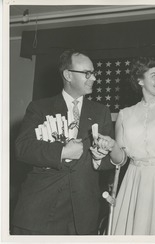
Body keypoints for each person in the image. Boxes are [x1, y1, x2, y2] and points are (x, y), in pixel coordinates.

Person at [12, 49, 114, 235]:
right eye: (87, 73)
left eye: (94, 73)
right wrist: (62, 152)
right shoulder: (39, 108)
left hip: (82, 216)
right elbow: (22, 148)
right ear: (68, 75)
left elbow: (108, 161)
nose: (94, 78)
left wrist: (100, 157)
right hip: (40, 212)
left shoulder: (101, 112)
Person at [92, 56, 155, 235]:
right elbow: (120, 160)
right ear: (140, 80)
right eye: (154, 76)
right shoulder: (125, 114)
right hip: (134, 180)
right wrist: (112, 146)